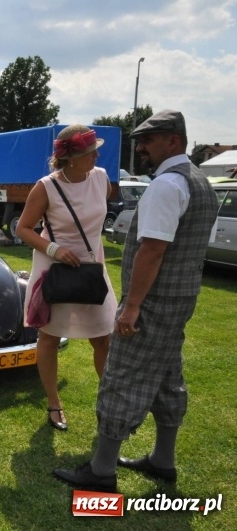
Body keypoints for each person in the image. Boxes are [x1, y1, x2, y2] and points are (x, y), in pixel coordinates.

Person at [53, 110, 219, 492]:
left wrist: (131, 306)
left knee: (122, 376)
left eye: (148, 140)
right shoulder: (199, 181)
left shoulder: (167, 185)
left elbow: (153, 251)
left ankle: (101, 470)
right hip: (181, 298)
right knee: (167, 376)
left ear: (173, 142)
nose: (141, 148)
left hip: (153, 302)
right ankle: (163, 459)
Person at [15, 125, 117, 431]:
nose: (97, 156)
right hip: (55, 270)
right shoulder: (46, 187)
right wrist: (55, 249)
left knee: (104, 338)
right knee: (48, 336)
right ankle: (54, 404)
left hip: (90, 268)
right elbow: (23, 228)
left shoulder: (100, 178)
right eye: (90, 152)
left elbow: (96, 217)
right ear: (70, 158)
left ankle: (109, 402)